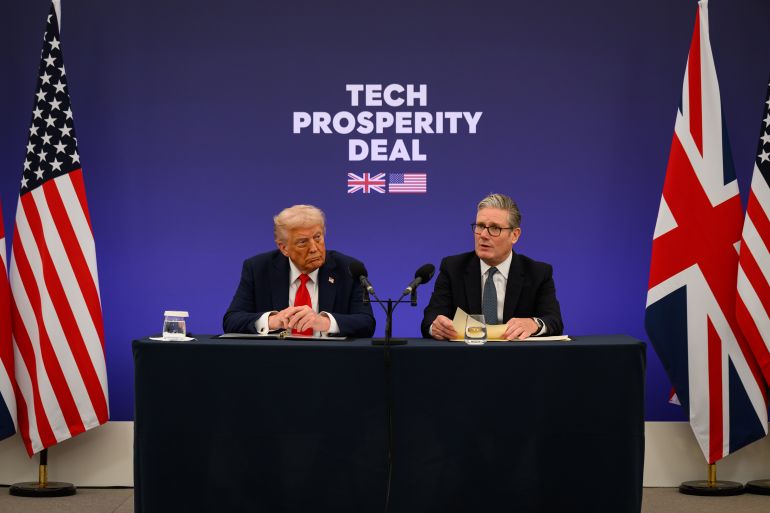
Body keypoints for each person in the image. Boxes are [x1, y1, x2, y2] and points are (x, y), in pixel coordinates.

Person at [421, 193, 563, 340]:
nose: (483, 235)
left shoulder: (538, 273)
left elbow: (554, 320)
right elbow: (431, 318)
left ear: (515, 235)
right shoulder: (453, 268)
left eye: (495, 228)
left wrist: (534, 324)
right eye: (480, 226)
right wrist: (436, 327)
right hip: (467, 352)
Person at [223, 204, 376, 338]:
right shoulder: (258, 269)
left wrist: (324, 322)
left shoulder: (348, 269)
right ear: (284, 248)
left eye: (317, 237)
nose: (314, 248)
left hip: (330, 357)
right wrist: (272, 320)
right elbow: (231, 320)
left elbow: (366, 323)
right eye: (303, 242)